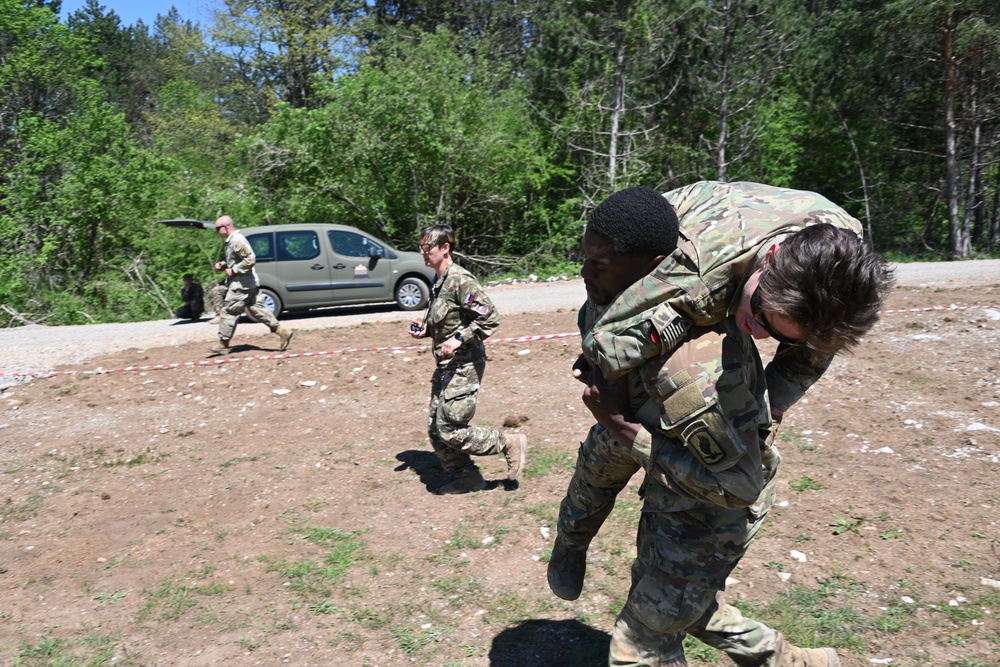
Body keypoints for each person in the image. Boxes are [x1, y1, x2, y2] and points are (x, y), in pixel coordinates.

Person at [548, 182, 895, 667]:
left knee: (649, 629)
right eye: (759, 315)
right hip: (684, 383)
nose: (757, 333)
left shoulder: (837, 260)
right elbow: (603, 326)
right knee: (674, 595)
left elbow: (738, 482)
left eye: (775, 334)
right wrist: (611, 385)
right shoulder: (692, 275)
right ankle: (790, 660)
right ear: (770, 257)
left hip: (717, 489)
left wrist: (755, 415)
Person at [407, 224, 526, 495]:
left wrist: (459, 338)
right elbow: (447, 320)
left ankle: (507, 442)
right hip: (445, 364)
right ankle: (467, 477)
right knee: (435, 429)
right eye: (421, 247)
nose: (423, 253)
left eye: (428, 247)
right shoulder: (439, 281)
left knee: (449, 427)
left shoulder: (461, 280)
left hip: (465, 363)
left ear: (445, 248)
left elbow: (490, 317)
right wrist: (426, 329)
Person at [210, 215, 294, 355]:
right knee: (258, 311)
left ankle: (223, 344)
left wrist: (234, 270)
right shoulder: (232, 241)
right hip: (248, 283)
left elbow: (250, 259)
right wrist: (224, 264)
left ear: (226, 227)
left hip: (241, 285)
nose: (216, 231)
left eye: (218, 228)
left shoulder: (237, 240)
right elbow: (237, 259)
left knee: (229, 311)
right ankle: (283, 332)